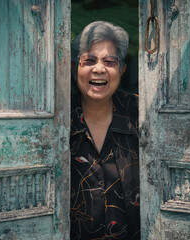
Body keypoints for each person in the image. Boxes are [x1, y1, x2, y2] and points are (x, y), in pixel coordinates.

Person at [70, 21, 140, 240]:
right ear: (75, 68)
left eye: (109, 61)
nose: (99, 69)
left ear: (122, 69)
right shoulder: (57, 119)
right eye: (89, 60)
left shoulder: (142, 113)